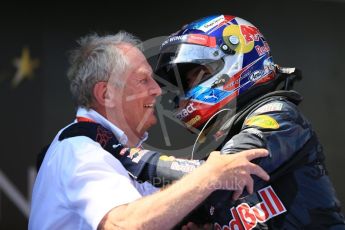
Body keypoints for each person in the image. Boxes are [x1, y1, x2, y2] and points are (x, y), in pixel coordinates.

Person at [28, 32, 270, 230]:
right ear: (106, 94)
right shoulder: (79, 149)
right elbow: (125, 225)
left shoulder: (112, 148)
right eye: (143, 80)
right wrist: (208, 176)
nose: (158, 90)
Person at [154, 15, 345, 229]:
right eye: (187, 84)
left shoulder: (278, 115)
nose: (188, 91)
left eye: (197, 76)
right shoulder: (220, 142)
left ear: (235, 59)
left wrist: (134, 159)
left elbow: (217, 177)